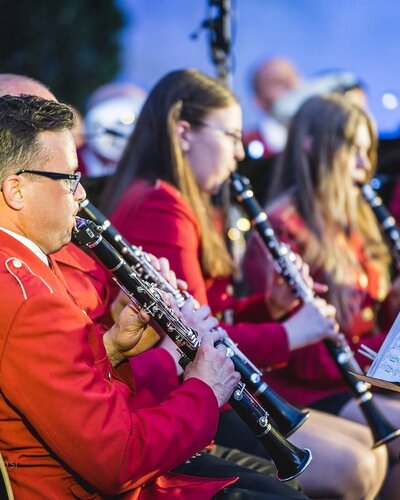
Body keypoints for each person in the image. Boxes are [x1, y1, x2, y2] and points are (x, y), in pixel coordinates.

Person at [0, 94, 316, 500]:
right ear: (16, 190)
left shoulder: (24, 271)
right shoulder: (28, 294)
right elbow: (116, 460)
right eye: (70, 179)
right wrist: (203, 388)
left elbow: (50, 379)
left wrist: (110, 347)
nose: (81, 196)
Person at [101, 68, 388, 500]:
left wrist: (268, 308)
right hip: (177, 395)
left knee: (370, 458)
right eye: (231, 136)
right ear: (184, 133)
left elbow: (211, 318)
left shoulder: (185, 203)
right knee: (356, 467)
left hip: (203, 384)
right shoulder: (161, 205)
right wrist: (290, 333)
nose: (240, 153)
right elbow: (188, 339)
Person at [243, 92, 400, 496]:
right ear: (312, 145)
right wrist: (383, 357)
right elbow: (301, 355)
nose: (366, 168)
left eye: (369, 153)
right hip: (311, 385)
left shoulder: (356, 221)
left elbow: (368, 316)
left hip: (354, 376)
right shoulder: (282, 226)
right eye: (355, 151)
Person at [244, 57, 301, 160]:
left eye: (294, 77)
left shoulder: (317, 140)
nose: (292, 86)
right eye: (278, 82)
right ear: (259, 101)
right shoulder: (247, 145)